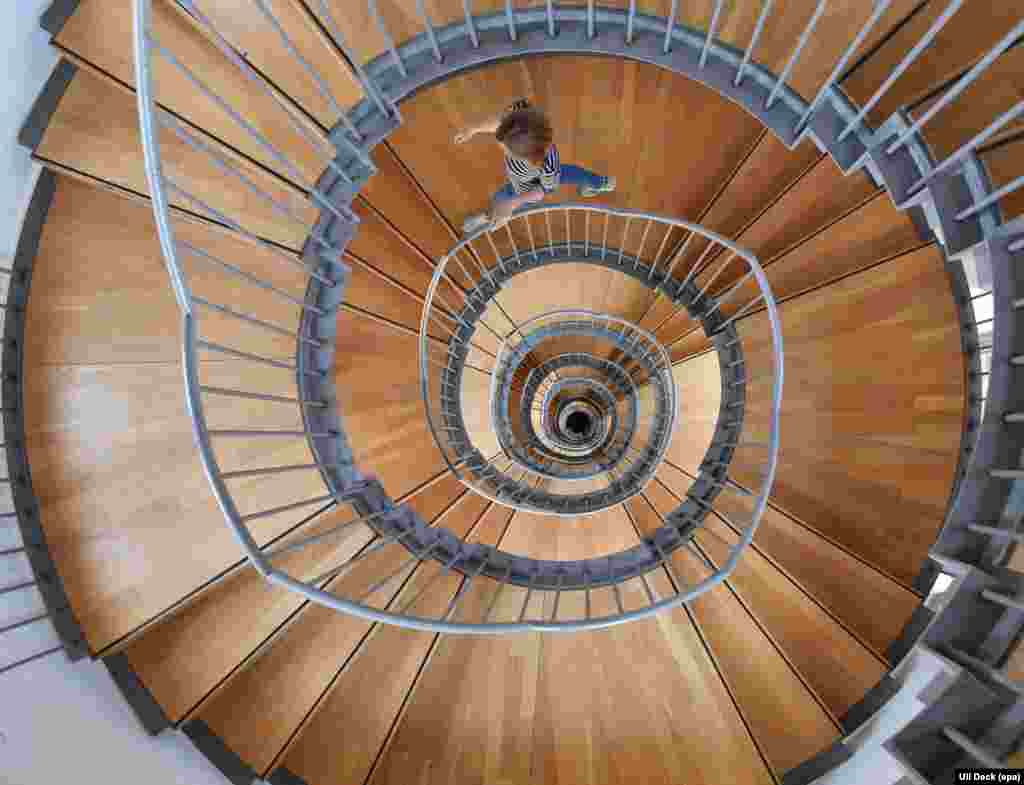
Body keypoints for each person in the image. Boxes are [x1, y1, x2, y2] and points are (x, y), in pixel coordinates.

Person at [454, 98, 616, 234]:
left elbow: (542, 192)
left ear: (523, 157)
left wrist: (513, 203)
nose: (500, 145)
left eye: (505, 147)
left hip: (526, 187)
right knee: (569, 173)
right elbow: (499, 124)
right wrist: (474, 129)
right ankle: (602, 183)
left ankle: (487, 217)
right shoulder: (522, 123)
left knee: (500, 201)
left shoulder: (548, 167)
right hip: (535, 174)